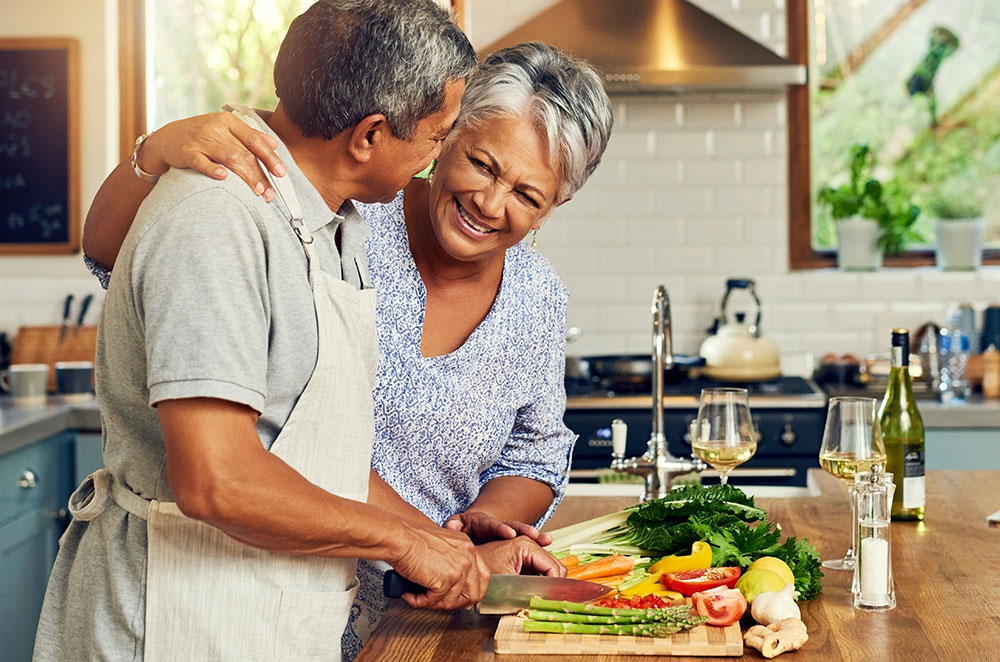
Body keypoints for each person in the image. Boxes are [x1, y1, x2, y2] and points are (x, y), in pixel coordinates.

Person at [81, 41, 614, 660]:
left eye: (528, 195)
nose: (490, 204)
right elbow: (118, 254)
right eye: (483, 164)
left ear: (556, 206)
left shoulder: (537, 294)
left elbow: (537, 446)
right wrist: (154, 152)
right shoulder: (345, 215)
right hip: (259, 578)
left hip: (428, 597)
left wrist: (461, 540)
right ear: (445, 134)